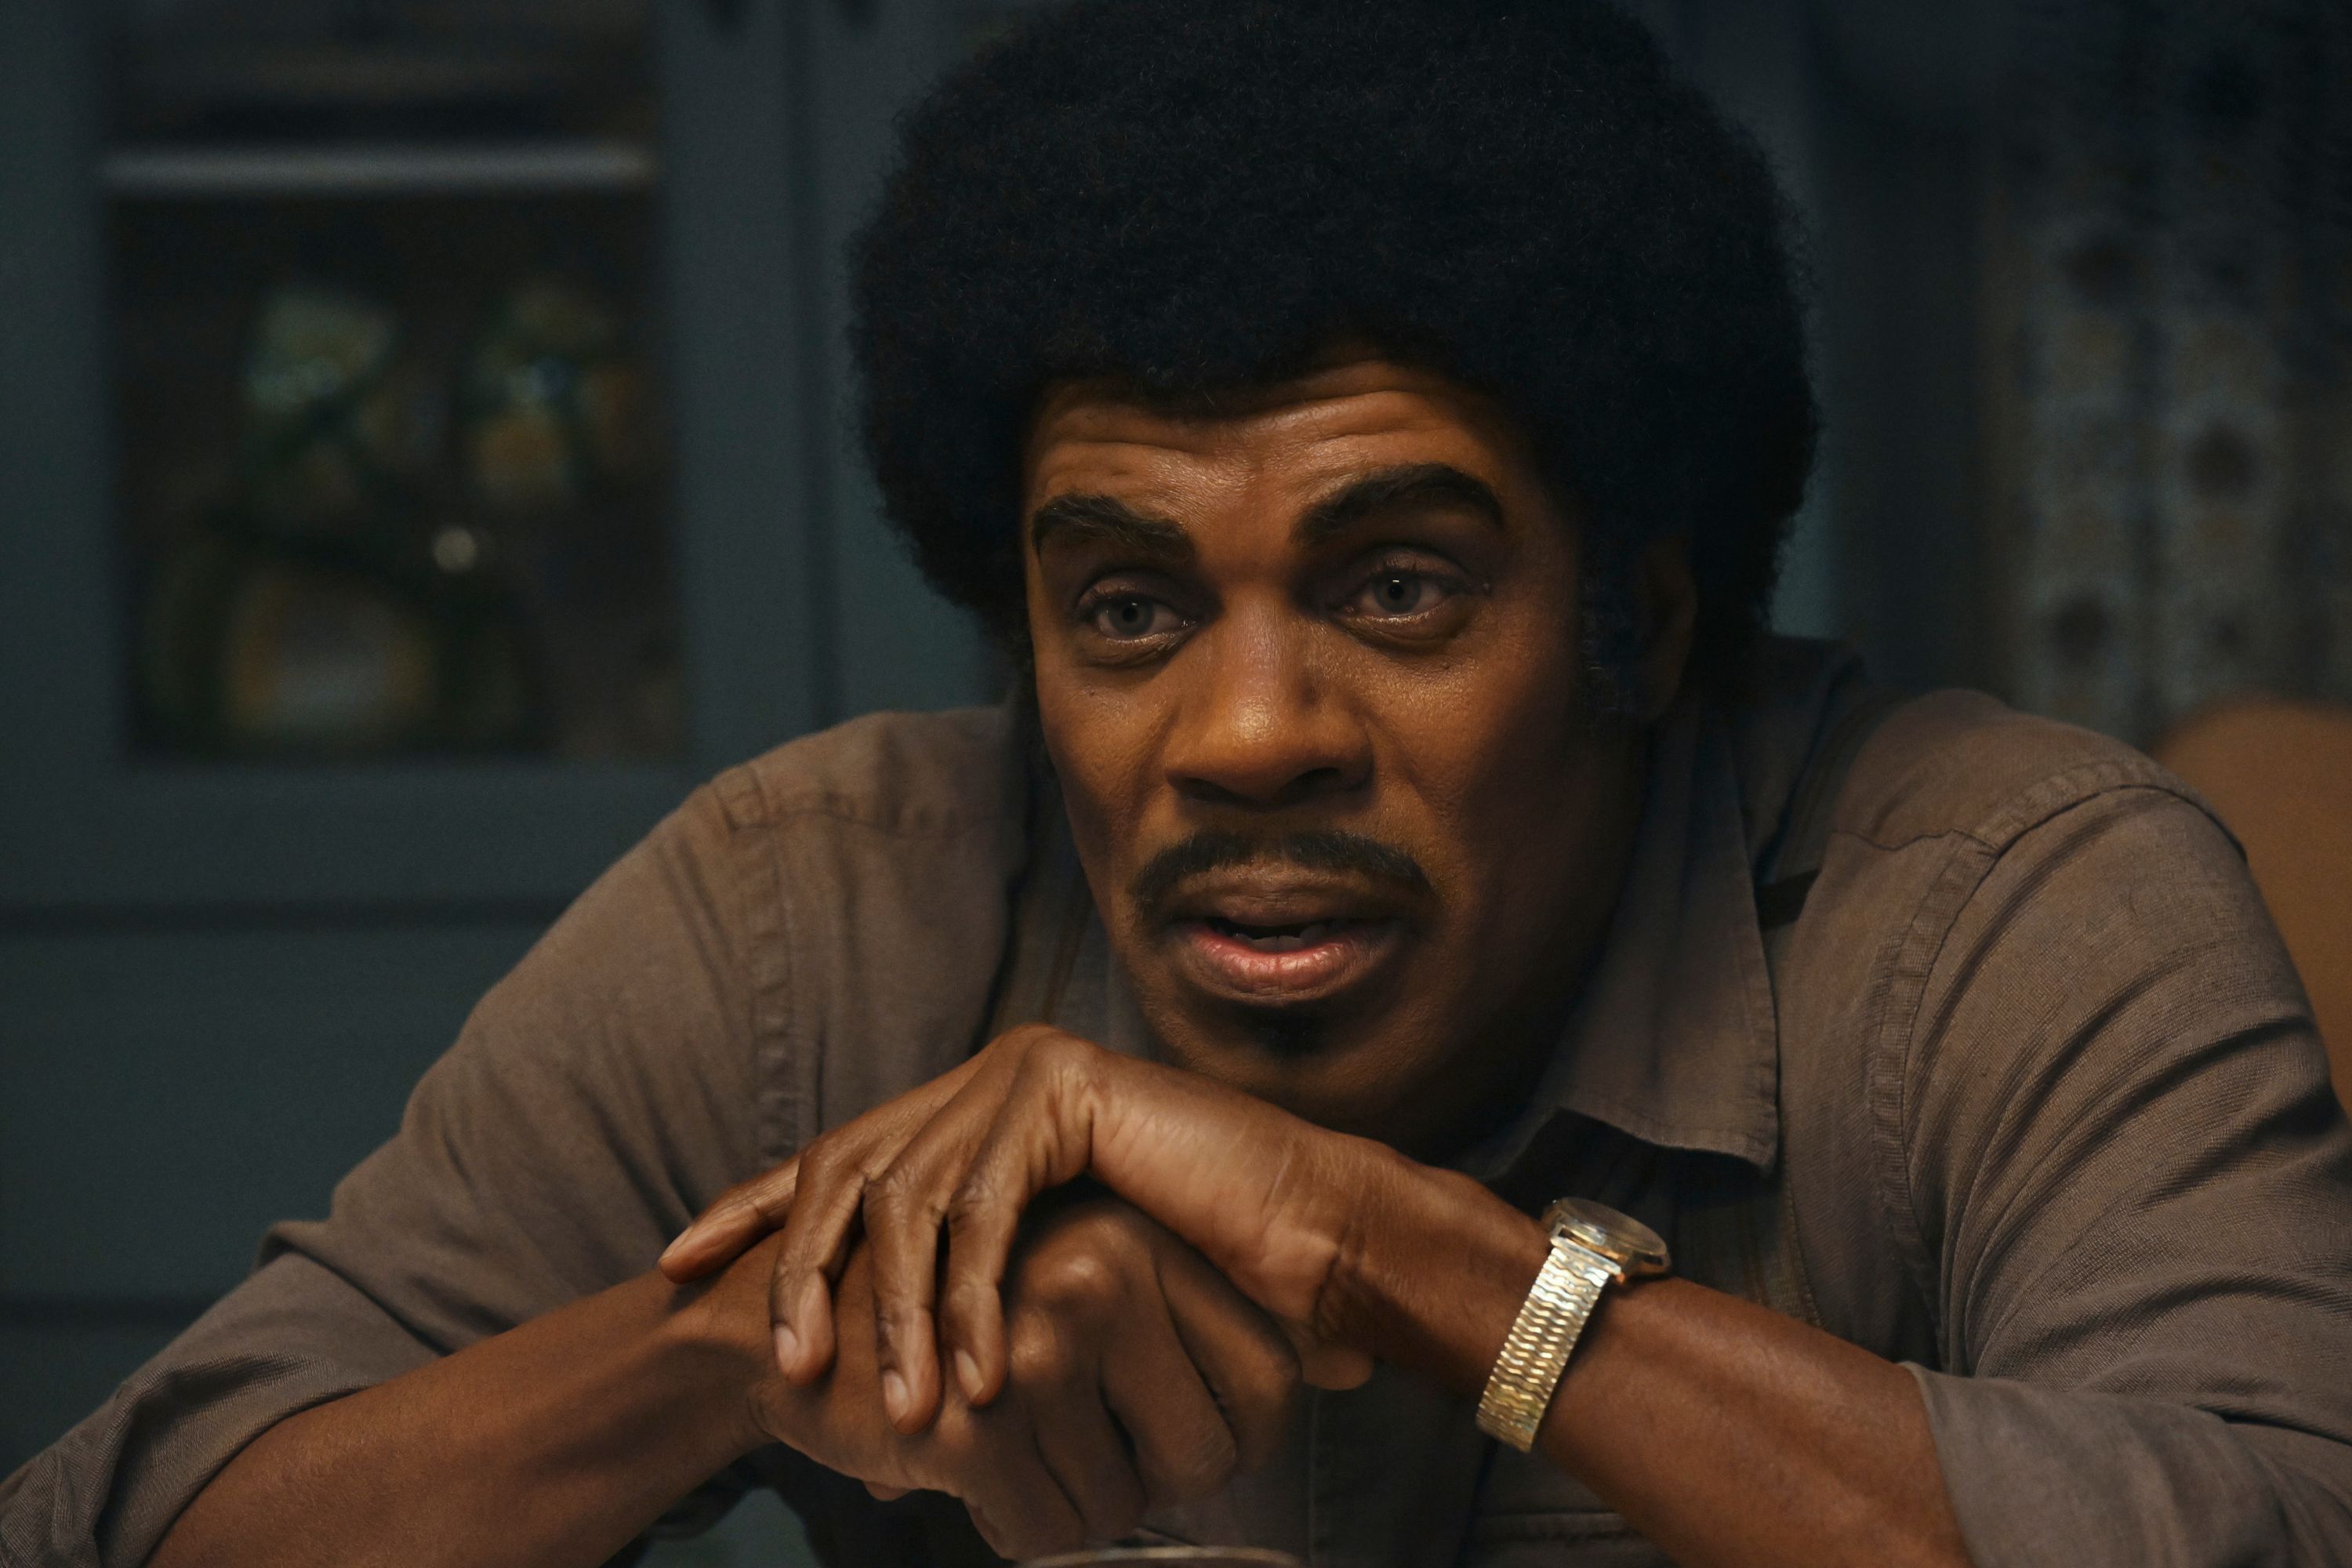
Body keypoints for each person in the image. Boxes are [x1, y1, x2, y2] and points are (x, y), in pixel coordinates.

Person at [9, 2, 2352, 1564]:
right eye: (1130, 608)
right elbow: (133, 1527)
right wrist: (751, 1336)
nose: (1243, 737)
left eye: (1399, 588)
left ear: (1643, 620)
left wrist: (1394, 1249)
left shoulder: (2009, 903)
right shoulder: (816, 918)